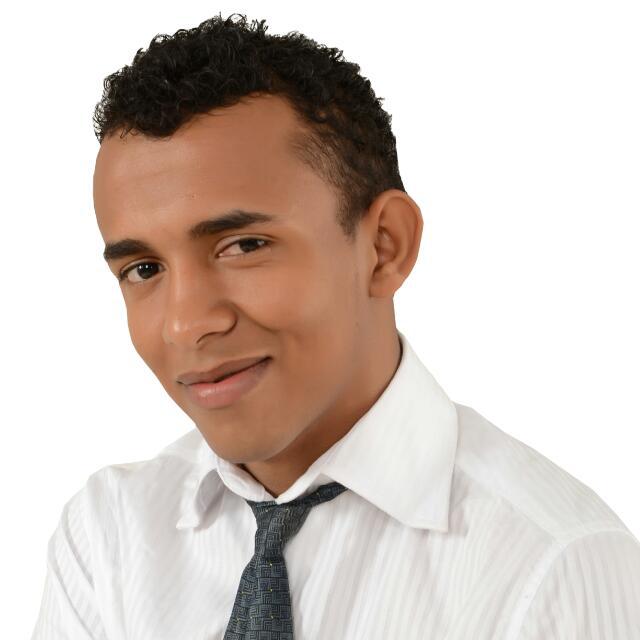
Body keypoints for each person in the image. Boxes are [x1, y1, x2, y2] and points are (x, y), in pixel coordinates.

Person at [31, 12, 640, 639]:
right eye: (144, 269)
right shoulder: (108, 539)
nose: (186, 324)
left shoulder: (554, 570)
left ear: (383, 246)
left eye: (243, 246)